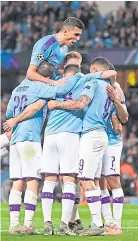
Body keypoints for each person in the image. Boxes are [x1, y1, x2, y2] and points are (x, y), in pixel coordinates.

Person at [6, 61, 87, 235]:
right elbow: (44, 101)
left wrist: (13, 122)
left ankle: (13, 224)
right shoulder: (41, 87)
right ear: (47, 78)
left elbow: (8, 114)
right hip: (30, 139)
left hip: (15, 140)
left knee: (17, 182)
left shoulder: (17, 89)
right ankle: (28, 224)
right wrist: (74, 77)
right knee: (32, 181)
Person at [41, 62, 116, 236]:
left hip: (85, 135)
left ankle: (96, 224)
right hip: (93, 134)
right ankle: (86, 223)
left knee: (80, 179)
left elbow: (81, 103)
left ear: (96, 70)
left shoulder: (85, 82)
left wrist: (56, 105)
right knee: (87, 180)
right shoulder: (103, 86)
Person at [100, 63, 129, 235]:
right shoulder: (94, 86)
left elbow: (124, 118)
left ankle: (116, 224)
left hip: (111, 141)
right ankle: (108, 222)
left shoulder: (116, 89)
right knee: (100, 182)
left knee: (113, 179)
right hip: (96, 139)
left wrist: (115, 100)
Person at [26, 17, 84, 85]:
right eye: (76, 34)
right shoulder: (47, 44)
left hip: (49, 88)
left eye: (79, 35)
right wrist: (54, 82)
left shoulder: (65, 47)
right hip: (36, 90)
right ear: (65, 31)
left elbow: (55, 72)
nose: (78, 38)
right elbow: (30, 74)